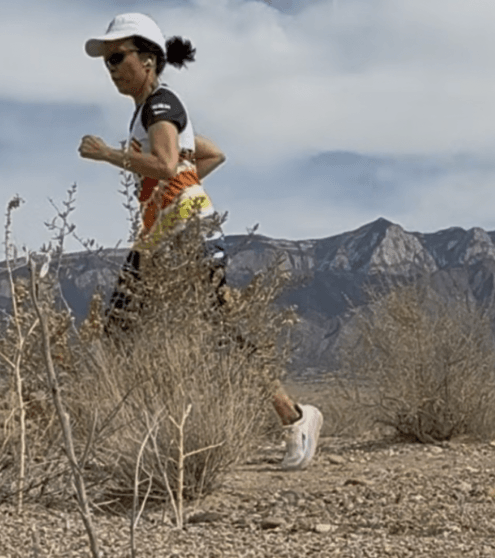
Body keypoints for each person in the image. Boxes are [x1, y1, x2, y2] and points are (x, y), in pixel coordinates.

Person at [78, 12, 322, 470]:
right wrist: (180, 186)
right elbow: (208, 154)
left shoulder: (159, 105)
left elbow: (168, 165)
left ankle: (295, 418)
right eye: (107, 61)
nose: (110, 68)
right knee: (119, 331)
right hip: (161, 238)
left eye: (117, 57)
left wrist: (108, 155)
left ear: (148, 60)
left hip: (186, 236)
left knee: (216, 331)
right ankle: (118, 438)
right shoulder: (152, 112)